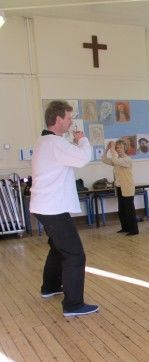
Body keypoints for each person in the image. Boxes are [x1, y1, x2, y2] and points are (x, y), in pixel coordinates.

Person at [30, 100, 99, 317]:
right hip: (52, 209)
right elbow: (83, 158)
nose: (71, 123)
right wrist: (82, 140)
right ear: (58, 119)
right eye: (69, 118)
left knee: (58, 247)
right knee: (75, 255)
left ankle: (50, 287)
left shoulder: (45, 141)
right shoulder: (55, 143)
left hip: (45, 207)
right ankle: (73, 305)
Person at [102, 139, 139, 236]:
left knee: (129, 210)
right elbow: (104, 160)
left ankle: (134, 230)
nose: (118, 149)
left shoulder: (127, 159)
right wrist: (107, 149)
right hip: (119, 188)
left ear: (125, 148)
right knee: (122, 210)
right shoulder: (117, 159)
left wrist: (112, 149)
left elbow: (115, 160)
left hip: (127, 187)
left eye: (120, 148)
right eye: (117, 148)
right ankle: (125, 228)